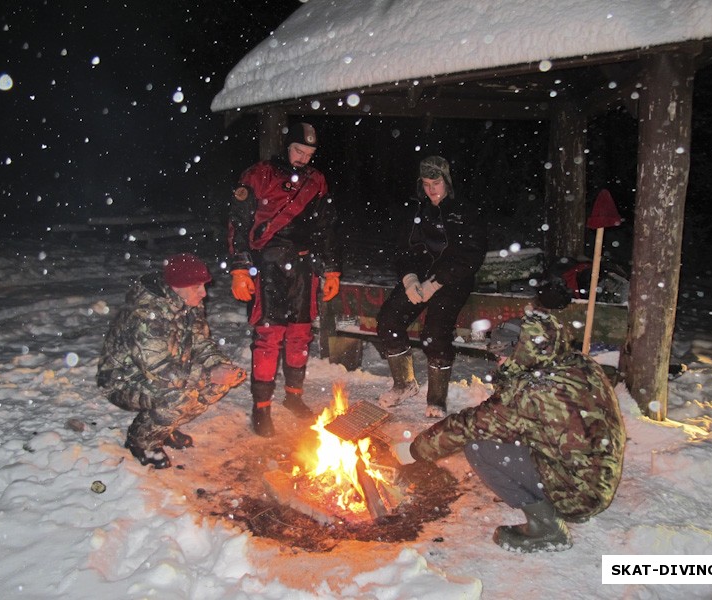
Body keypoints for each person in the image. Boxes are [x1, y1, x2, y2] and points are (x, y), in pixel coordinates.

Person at [393, 308, 626, 553]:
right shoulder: (576, 363)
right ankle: (538, 489)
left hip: (578, 495)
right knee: (506, 435)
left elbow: (470, 425)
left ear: (522, 349)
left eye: (502, 353)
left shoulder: (532, 391)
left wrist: (414, 450)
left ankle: (548, 530)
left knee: (479, 446)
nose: (499, 360)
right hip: (597, 479)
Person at [227, 122, 341, 437]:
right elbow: (238, 222)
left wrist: (331, 269)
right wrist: (239, 268)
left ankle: (294, 396)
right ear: (286, 146)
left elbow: (325, 228)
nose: (303, 158)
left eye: (309, 153)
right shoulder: (258, 175)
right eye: (298, 150)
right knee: (268, 337)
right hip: (267, 267)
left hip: (303, 267)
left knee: (300, 335)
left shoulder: (317, 181)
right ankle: (261, 408)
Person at [96, 253, 246, 468]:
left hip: (166, 368)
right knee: (178, 397)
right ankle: (142, 442)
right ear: (177, 287)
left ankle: (164, 427)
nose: (204, 293)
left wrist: (218, 365)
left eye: (204, 286)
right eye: (197, 287)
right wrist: (208, 374)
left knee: (217, 384)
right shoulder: (147, 314)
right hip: (123, 378)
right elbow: (157, 369)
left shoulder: (189, 302)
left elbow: (200, 341)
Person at [376, 155, 487, 418]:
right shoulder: (416, 211)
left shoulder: (465, 211)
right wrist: (409, 278)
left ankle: (436, 399)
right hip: (419, 276)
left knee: (435, 333)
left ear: (446, 181)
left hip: (452, 280)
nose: (431, 189)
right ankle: (404, 384)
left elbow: (471, 256)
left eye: (435, 183)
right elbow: (402, 249)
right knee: (389, 320)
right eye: (425, 184)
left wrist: (436, 283)